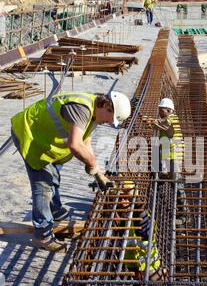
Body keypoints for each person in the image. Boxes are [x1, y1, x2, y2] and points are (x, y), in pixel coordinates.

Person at [11, 91, 131, 252]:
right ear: (107, 106)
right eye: (111, 118)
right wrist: (92, 164)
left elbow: (85, 142)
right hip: (29, 135)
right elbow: (75, 145)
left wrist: (98, 173)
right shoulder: (82, 108)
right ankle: (42, 235)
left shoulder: (94, 113)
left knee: (53, 176)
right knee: (43, 186)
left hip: (43, 137)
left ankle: (57, 215)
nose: (109, 123)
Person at [141, 98, 186, 226]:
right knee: (161, 180)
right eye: (159, 110)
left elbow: (156, 124)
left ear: (169, 110)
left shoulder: (171, 120)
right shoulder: (166, 119)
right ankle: (156, 208)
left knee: (177, 184)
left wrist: (142, 117)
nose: (159, 112)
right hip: (167, 156)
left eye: (161, 110)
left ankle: (183, 215)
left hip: (174, 157)